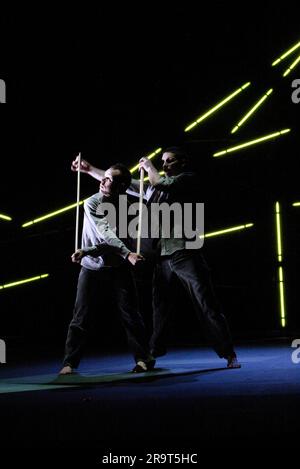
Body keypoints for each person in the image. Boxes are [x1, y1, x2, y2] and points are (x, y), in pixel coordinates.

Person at [71, 150, 241, 369]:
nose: (165, 164)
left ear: (182, 162)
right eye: (163, 162)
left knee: (205, 302)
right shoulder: (151, 187)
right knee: (160, 305)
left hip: (184, 252)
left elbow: (164, 185)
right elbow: (119, 180)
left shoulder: (185, 180)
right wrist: (89, 169)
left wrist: (151, 168)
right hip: (162, 256)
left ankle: (228, 353)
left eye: (170, 161)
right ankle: (154, 350)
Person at [59, 163, 155, 375]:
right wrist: (125, 253)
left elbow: (113, 240)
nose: (102, 180)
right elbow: (105, 234)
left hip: (117, 266)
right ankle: (69, 363)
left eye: (109, 179)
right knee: (81, 316)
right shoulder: (92, 202)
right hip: (92, 267)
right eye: (104, 177)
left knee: (130, 314)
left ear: (121, 187)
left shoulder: (127, 207)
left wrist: (88, 251)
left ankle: (143, 358)